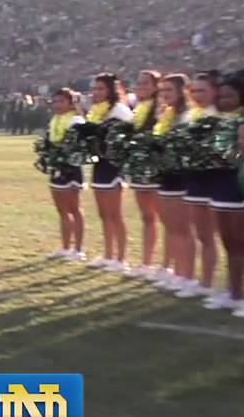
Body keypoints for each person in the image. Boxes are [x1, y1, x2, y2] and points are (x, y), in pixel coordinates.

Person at [203, 74, 244, 314]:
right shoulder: (217, 120)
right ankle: (234, 292)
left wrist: (235, 148)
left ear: (243, 97)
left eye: (231, 96)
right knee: (228, 243)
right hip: (220, 185)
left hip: (241, 185)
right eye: (222, 95)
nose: (224, 100)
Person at [151, 74, 197, 292]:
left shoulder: (188, 116)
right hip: (166, 175)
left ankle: (187, 275)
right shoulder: (166, 115)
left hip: (181, 176)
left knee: (182, 228)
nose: (165, 95)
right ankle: (176, 271)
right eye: (162, 91)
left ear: (182, 91)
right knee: (170, 227)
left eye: (169, 90)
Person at [177, 72, 221, 300]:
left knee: (215, 235)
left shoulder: (220, 116)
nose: (198, 95)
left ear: (215, 91)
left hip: (214, 179)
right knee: (201, 233)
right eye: (194, 91)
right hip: (194, 179)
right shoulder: (188, 117)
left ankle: (209, 281)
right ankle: (200, 280)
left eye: (203, 90)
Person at [84, 73, 133, 272]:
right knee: (104, 214)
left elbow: (130, 136)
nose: (96, 92)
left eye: (101, 89)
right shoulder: (95, 111)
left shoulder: (119, 110)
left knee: (115, 214)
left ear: (111, 90)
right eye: (95, 89)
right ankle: (108, 255)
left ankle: (121, 259)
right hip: (99, 165)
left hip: (114, 167)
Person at [38, 89, 87, 262]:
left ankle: (79, 249)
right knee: (62, 210)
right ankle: (65, 247)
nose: (57, 105)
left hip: (72, 168)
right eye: (55, 101)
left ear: (70, 103)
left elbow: (81, 147)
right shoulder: (55, 120)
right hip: (57, 167)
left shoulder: (76, 120)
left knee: (74, 209)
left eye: (61, 101)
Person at [123, 71, 162, 278]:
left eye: (146, 83)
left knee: (165, 219)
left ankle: (167, 266)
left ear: (156, 86)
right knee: (147, 217)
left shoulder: (160, 109)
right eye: (139, 83)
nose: (141, 86)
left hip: (156, 170)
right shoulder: (137, 108)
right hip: (139, 170)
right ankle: (146, 263)